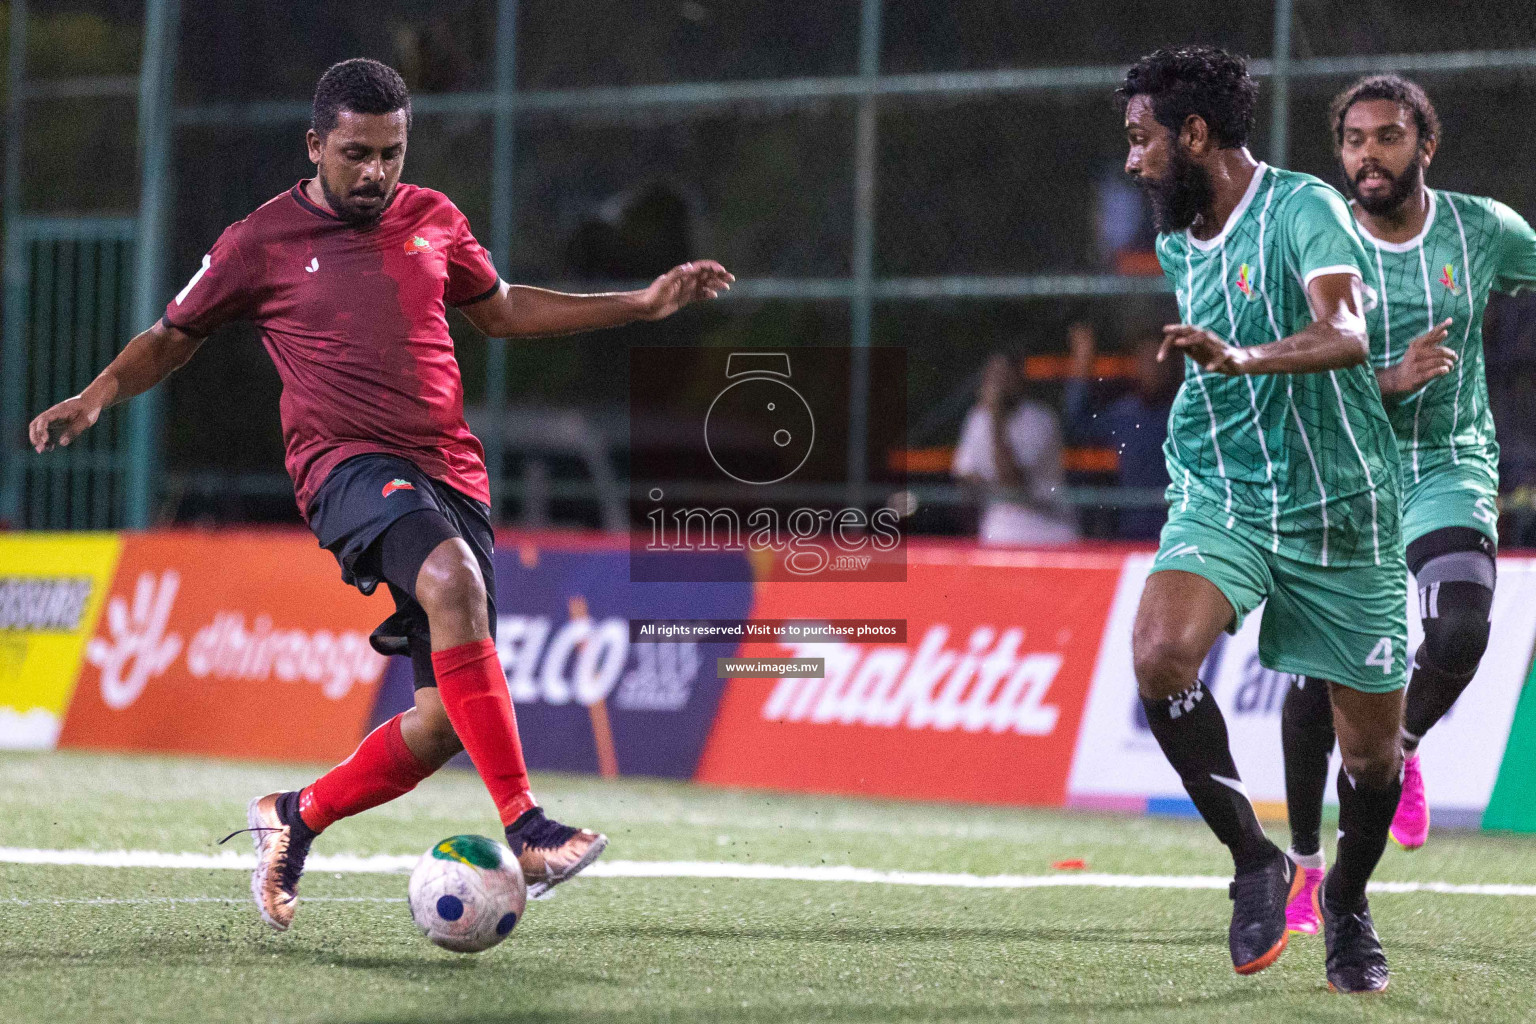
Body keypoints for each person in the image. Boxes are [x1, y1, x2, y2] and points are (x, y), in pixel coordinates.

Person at [27, 58, 733, 931]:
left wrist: (640, 303)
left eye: (391, 152)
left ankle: (295, 815)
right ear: (316, 144)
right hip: (346, 466)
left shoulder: (433, 217)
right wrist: (96, 396)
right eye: (356, 152)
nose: (374, 172)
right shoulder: (260, 240)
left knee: (438, 724)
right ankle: (528, 827)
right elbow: (173, 336)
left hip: (451, 474)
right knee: (453, 583)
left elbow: (503, 310)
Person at [1121, 47, 1407, 993]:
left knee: (1370, 762)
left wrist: (1241, 358)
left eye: (1142, 140)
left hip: (1342, 515)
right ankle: (1256, 860)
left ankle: (1348, 902)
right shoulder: (1177, 242)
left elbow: (1349, 334)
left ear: (1195, 134)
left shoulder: (1303, 210)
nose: (1132, 162)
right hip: (1226, 497)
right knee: (1160, 652)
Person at [1280, 75, 1536, 936]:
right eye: (1353, 140)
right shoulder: (1318, 238)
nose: (1367, 155)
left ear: (1425, 146)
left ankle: (1404, 748)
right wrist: (1383, 382)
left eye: (1387, 137)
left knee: (1461, 629)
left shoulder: (1481, 230)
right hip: (1347, 471)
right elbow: (1294, 380)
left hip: (1447, 466)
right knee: (1317, 691)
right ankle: (1305, 870)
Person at [1062, 323, 1181, 539]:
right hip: (1133, 531)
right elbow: (1078, 426)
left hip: (1179, 531)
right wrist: (1082, 360)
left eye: (1159, 358)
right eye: (1145, 359)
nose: (1153, 366)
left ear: (1171, 365)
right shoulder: (1125, 413)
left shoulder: (1186, 413)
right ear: (1135, 365)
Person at [952, 352, 1078, 545]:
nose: (998, 385)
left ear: (1020, 379)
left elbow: (1012, 482)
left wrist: (995, 418)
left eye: (1005, 375)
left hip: (1046, 530)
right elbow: (964, 475)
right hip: (997, 528)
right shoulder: (977, 418)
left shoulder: (1040, 419)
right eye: (994, 376)